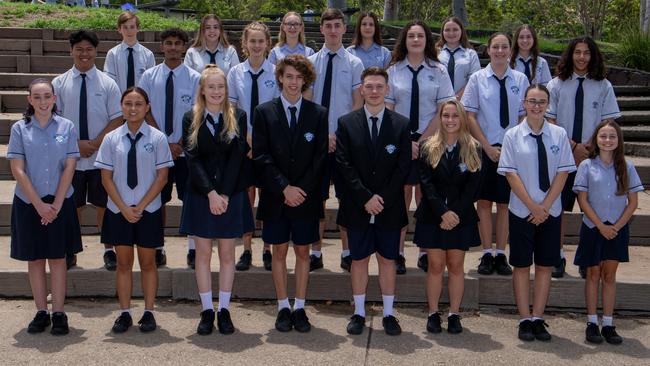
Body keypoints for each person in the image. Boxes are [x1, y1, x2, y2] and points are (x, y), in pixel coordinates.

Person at [253, 54, 328, 333]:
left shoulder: (318, 113)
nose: (293, 82)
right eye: (289, 76)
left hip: (306, 198)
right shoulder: (264, 112)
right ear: (280, 78)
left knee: (303, 252)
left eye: (299, 77)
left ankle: (300, 307)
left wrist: (300, 190)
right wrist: (284, 187)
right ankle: (283, 305)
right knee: (280, 251)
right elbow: (261, 156)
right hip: (276, 195)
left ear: (305, 80)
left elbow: (320, 159)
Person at [336, 67, 411, 336]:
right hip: (357, 205)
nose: (375, 91)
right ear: (361, 89)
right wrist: (365, 197)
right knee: (359, 259)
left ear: (387, 89)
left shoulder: (401, 124)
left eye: (380, 86)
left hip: (389, 206)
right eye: (369, 86)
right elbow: (344, 165)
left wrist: (382, 199)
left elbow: (402, 168)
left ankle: (389, 314)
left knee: (388, 259)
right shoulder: (346, 123)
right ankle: (358, 312)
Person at [497, 84, 575, 342]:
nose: (537, 106)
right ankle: (524, 319)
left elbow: (563, 172)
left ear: (548, 104)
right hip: (522, 211)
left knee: (544, 266)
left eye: (542, 101)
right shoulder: (512, 136)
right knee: (521, 265)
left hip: (550, 212)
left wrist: (545, 207)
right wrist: (532, 205)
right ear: (524, 103)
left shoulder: (559, 134)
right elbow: (511, 173)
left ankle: (538, 317)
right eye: (532, 101)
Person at [95, 87, 173, 333]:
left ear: (147, 107)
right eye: (128, 103)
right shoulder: (111, 138)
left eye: (139, 104)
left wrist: (139, 206)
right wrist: (123, 207)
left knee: (148, 263)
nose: (133, 108)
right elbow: (106, 178)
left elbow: (162, 177)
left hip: (147, 209)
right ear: (121, 106)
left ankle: (149, 311)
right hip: (119, 210)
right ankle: (125, 312)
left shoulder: (157, 138)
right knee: (123, 264)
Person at [180, 65, 251, 335]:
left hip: (230, 194)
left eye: (221, 87)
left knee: (226, 254)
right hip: (201, 194)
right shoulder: (191, 118)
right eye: (211, 87)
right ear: (202, 90)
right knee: (203, 254)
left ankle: (224, 309)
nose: (216, 92)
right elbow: (192, 158)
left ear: (226, 89)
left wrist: (223, 194)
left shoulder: (238, 116)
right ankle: (207, 309)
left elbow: (237, 157)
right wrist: (210, 193)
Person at [8, 78, 82, 336]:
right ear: (29, 100)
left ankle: (59, 312)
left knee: (58, 258)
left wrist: (57, 204)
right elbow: (17, 169)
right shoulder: (20, 128)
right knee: (36, 258)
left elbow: (70, 165)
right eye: (37, 97)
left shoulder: (67, 126)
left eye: (47, 96)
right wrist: (39, 205)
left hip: (60, 201)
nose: (42, 101)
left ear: (54, 99)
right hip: (30, 203)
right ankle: (41, 311)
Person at [546, 36, 621, 278]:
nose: (581, 57)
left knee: (591, 209)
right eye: (577, 52)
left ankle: (587, 257)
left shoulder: (603, 86)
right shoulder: (557, 84)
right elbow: (550, 119)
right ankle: (557, 256)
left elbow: (608, 121)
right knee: (558, 208)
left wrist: (590, 146)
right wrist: (573, 145)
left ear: (593, 56)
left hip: (594, 156)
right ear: (570, 55)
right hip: (563, 156)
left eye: (586, 53)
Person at [386, 20, 455, 274]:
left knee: (426, 197)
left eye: (420, 36)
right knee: (400, 198)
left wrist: (422, 141)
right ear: (405, 40)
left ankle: (426, 251)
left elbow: (444, 110)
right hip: (401, 142)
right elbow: (389, 109)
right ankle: (399, 251)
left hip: (431, 141)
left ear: (427, 40)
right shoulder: (394, 71)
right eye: (411, 36)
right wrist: (407, 142)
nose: (416, 40)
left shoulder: (438, 70)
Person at [52, 29, 123, 271]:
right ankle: (71, 249)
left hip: (101, 157)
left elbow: (116, 118)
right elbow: (54, 120)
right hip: (70, 158)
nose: (84, 54)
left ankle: (109, 249)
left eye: (89, 49)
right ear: (71, 51)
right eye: (79, 49)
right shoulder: (58, 83)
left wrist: (94, 143)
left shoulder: (108, 83)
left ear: (96, 51)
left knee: (104, 205)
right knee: (74, 206)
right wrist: (76, 145)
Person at [461, 32, 529, 276]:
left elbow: (524, 115)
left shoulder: (520, 79)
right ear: (488, 50)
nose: (500, 51)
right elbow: (470, 115)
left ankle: (501, 253)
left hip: (511, 150)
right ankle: (486, 253)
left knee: (504, 204)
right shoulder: (477, 79)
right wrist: (487, 147)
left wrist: (512, 146)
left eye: (504, 47)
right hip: (483, 148)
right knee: (484, 202)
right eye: (495, 47)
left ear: (510, 51)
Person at [414, 99, 481, 334]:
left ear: (462, 119)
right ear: (440, 118)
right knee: (435, 265)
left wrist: (454, 213)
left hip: (461, 217)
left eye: (455, 116)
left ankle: (454, 313)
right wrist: (442, 213)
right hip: (433, 215)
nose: (450, 120)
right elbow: (426, 184)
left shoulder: (474, 148)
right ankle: (433, 313)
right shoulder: (427, 147)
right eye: (446, 116)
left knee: (455, 265)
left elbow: (472, 188)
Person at [573, 121, 643, 345]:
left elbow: (632, 202)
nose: (607, 140)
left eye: (612, 136)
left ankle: (609, 323)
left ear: (618, 140)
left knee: (610, 276)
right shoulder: (586, 166)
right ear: (596, 139)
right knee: (593, 274)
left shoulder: (626, 166)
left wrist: (616, 226)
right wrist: (601, 226)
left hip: (616, 229)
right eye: (603, 136)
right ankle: (592, 322)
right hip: (594, 228)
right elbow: (582, 200)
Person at [307, 8, 364, 272]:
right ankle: (315, 251)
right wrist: (322, 135)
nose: (332, 30)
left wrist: (338, 136)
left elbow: (357, 103)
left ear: (344, 29)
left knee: (346, 198)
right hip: (317, 142)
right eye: (327, 25)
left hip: (344, 142)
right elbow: (307, 102)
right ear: (321, 29)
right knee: (316, 198)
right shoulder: (310, 62)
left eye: (337, 25)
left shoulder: (354, 64)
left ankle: (347, 250)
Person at [139, 28, 201, 268]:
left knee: (191, 199)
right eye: (168, 43)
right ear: (161, 46)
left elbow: (198, 113)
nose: (173, 47)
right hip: (157, 151)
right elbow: (145, 111)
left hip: (187, 151)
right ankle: (158, 246)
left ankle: (193, 248)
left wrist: (181, 143)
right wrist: (165, 141)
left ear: (184, 47)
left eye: (177, 43)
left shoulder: (195, 78)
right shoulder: (149, 77)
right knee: (158, 200)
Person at [228, 21, 279, 272]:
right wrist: (246, 140)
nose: (257, 45)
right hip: (244, 145)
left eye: (261, 41)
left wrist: (264, 142)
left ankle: (268, 249)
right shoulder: (235, 72)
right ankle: (247, 249)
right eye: (252, 41)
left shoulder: (277, 72)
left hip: (270, 145)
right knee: (247, 197)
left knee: (269, 196)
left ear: (267, 44)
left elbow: (278, 112)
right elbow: (232, 110)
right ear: (245, 44)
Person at [104, 12, 156, 93]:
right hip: (118, 101)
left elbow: (151, 82)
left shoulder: (148, 55)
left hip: (141, 102)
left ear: (138, 28)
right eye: (125, 27)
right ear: (119, 29)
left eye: (132, 27)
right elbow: (109, 81)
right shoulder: (112, 54)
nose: (129, 31)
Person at [435, 16, 481, 98]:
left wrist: (457, 97)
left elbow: (474, 80)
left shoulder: (471, 54)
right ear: (442, 32)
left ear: (461, 31)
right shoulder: (435, 53)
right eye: (447, 30)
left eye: (455, 30)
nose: (451, 33)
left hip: (463, 101)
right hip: (438, 101)